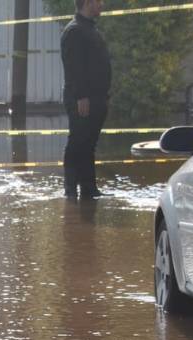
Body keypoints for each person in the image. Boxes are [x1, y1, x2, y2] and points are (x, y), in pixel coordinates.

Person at [60, 0, 111, 201]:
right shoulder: (74, 31)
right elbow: (74, 68)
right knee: (77, 142)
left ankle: (89, 188)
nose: (102, 4)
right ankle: (70, 190)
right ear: (88, 2)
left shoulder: (90, 30)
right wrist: (81, 96)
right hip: (82, 99)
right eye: (99, 1)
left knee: (89, 144)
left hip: (96, 97)